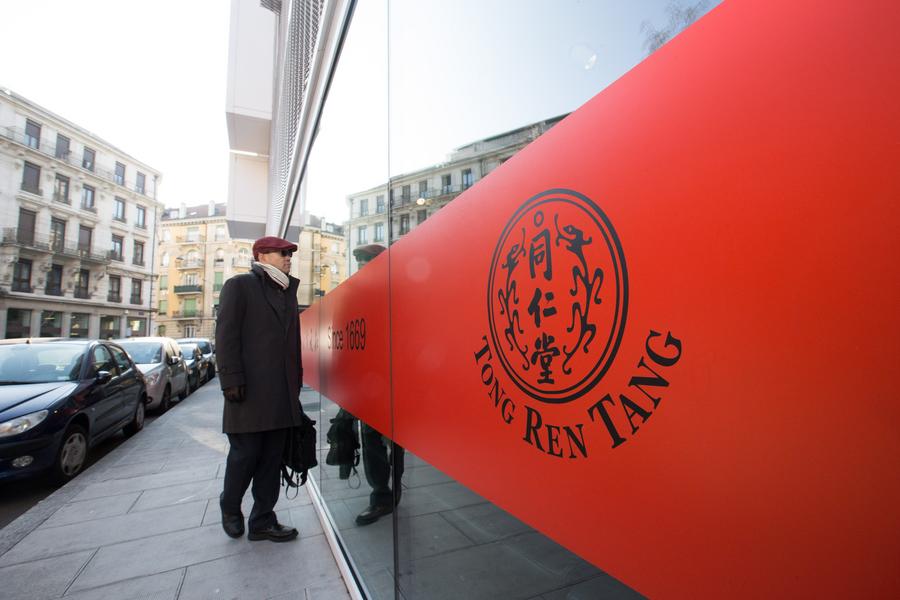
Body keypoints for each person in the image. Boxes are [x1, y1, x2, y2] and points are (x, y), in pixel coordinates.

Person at [216, 235, 305, 542]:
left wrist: (296, 385)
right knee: (245, 456)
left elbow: (292, 345)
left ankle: (263, 521)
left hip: (281, 395)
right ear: (262, 256)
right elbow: (226, 336)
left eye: (290, 253)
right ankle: (230, 507)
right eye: (282, 253)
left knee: (271, 461)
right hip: (248, 393)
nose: (288, 257)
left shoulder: (287, 293)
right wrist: (231, 380)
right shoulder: (239, 286)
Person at [350, 244, 406, 526]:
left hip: (393, 380)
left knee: (392, 440)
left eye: (367, 263)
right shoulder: (358, 295)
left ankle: (389, 490)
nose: (362, 268)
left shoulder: (396, 293)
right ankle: (382, 493)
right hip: (368, 382)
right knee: (371, 438)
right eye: (360, 263)